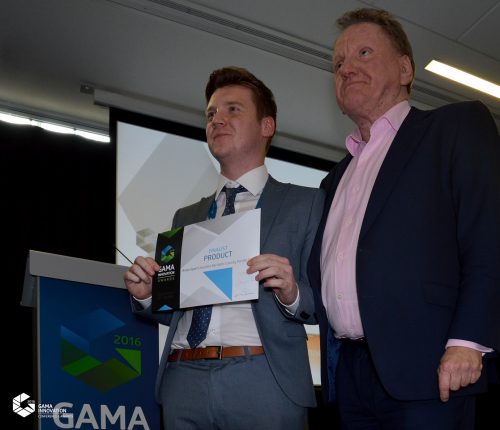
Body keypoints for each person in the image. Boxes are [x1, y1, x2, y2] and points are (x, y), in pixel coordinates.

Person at [307, 7, 500, 429]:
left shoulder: (455, 127)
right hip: (349, 376)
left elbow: (489, 237)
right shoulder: (333, 180)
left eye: (363, 53)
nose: (346, 68)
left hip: (432, 369)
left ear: (405, 69)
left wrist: (468, 341)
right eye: (338, 63)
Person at [124, 66, 324, 430]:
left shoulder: (306, 204)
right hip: (182, 378)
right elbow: (175, 310)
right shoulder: (186, 216)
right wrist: (148, 296)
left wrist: (293, 293)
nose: (217, 120)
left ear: (266, 126)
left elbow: (327, 298)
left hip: (263, 379)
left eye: (233, 109)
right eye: (211, 114)